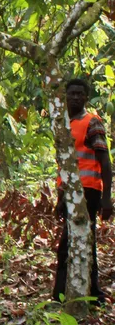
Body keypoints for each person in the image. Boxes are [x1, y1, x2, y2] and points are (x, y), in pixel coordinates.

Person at [53, 79, 110, 305]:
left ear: (86, 98)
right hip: (71, 192)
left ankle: (60, 297)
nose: (75, 98)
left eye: (80, 94)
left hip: (89, 191)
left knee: (72, 244)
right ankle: (93, 293)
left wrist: (107, 198)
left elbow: (104, 162)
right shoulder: (63, 124)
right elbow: (64, 165)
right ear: (65, 97)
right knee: (81, 242)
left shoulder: (92, 122)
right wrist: (60, 197)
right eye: (71, 94)